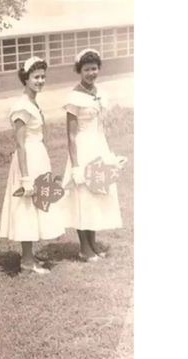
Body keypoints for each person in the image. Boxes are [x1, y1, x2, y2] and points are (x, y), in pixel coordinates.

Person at [0, 57, 65, 274]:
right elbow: (19, 143)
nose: (40, 80)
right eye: (36, 77)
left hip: (38, 156)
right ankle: (26, 260)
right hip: (27, 159)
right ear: (25, 79)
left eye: (43, 77)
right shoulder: (21, 106)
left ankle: (30, 255)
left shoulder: (33, 103)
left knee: (38, 204)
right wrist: (26, 178)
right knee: (27, 206)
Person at [62, 49, 125, 262]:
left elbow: (101, 127)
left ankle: (93, 244)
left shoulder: (100, 93)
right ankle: (84, 248)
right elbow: (70, 135)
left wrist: (108, 154)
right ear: (79, 71)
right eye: (87, 69)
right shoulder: (74, 97)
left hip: (98, 146)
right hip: (82, 147)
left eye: (94, 68)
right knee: (83, 197)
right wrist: (75, 166)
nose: (91, 73)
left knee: (97, 195)